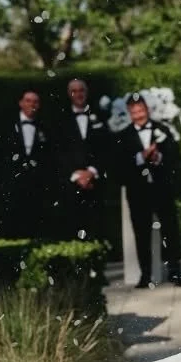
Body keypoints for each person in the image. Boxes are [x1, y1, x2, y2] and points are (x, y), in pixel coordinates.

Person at [120, 93, 181, 287]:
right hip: (138, 193)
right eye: (134, 111)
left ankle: (175, 273)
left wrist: (158, 158)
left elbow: (175, 158)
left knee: (170, 232)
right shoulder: (124, 136)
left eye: (141, 110)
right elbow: (119, 165)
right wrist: (141, 157)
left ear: (146, 109)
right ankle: (145, 275)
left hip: (162, 189)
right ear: (130, 113)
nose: (139, 114)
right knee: (141, 234)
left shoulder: (162, 130)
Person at [59, 78, 112, 246]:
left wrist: (91, 172)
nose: (78, 94)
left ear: (86, 93)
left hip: (95, 180)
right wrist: (77, 175)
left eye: (81, 90)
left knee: (97, 226)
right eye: (74, 91)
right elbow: (58, 152)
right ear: (69, 94)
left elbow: (106, 148)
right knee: (72, 226)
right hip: (71, 182)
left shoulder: (100, 116)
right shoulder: (60, 119)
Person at [1, 89, 55, 240]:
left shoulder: (44, 127)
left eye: (35, 102)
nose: (32, 104)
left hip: (36, 183)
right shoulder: (8, 125)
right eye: (28, 101)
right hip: (13, 182)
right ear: (21, 103)